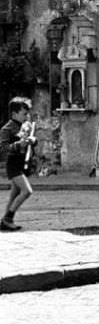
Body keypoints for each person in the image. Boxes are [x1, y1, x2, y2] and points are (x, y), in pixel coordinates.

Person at [0, 96, 37, 231]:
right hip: (13, 164)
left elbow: (31, 140)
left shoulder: (25, 126)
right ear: (14, 113)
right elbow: (3, 149)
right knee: (27, 191)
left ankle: (5, 221)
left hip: (22, 163)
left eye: (27, 114)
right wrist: (18, 144)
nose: (27, 117)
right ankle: (8, 218)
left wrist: (33, 140)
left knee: (14, 193)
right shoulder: (6, 129)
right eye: (24, 114)